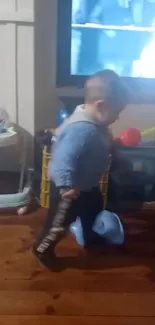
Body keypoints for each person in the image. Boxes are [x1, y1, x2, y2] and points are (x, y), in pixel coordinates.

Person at [32, 70, 128, 270]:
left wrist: (112, 144)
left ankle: (91, 239)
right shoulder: (81, 129)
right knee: (59, 224)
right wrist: (66, 185)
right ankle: (42, 248)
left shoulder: (96, 121)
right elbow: (62, 159)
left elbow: (99, 140)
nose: (117, 117)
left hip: (87, 185)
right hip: (68, 189)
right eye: (116, 112)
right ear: (100, 105)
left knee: (93, 211)